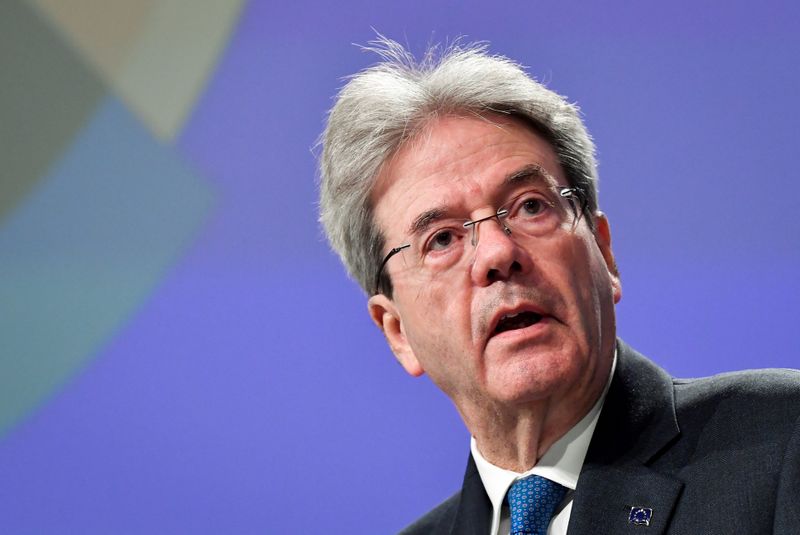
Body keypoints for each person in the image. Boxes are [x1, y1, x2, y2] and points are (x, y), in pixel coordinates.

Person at [317, 37, 800, 535]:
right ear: (397, 332)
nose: (498, 254)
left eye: (530, 206)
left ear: (604, 252)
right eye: (441, 239)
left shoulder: (781, 444)